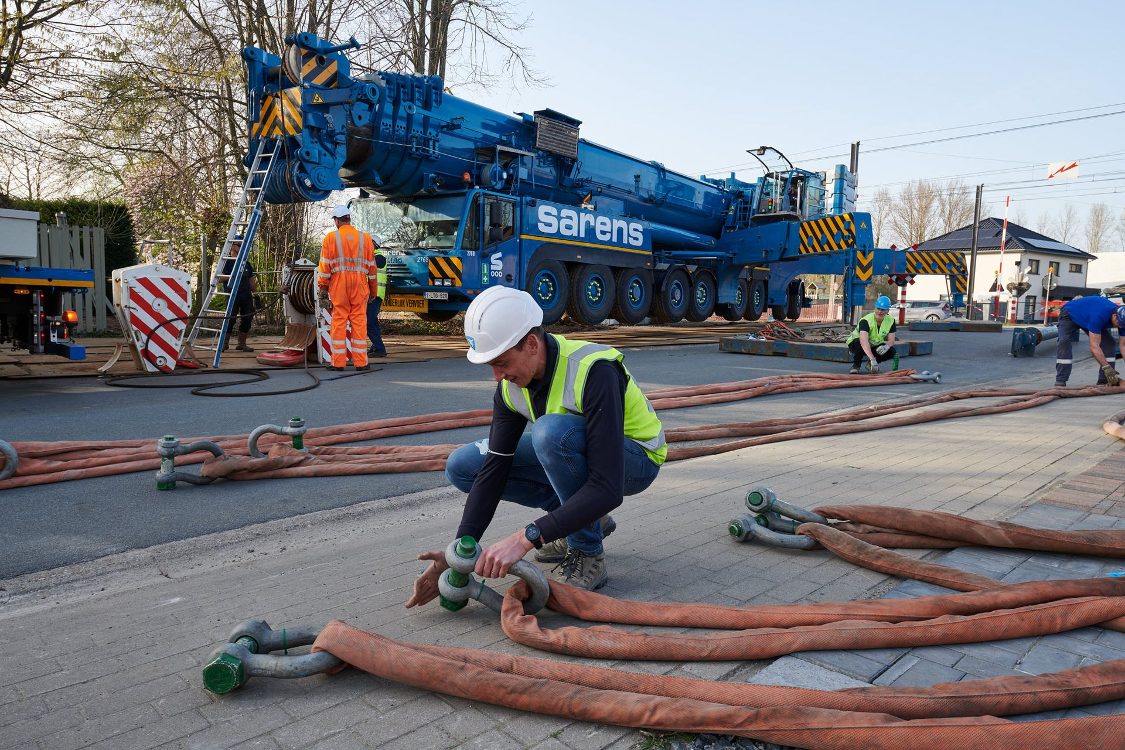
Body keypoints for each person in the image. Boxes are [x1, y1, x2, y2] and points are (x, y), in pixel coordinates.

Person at [405, 286, 666, 604]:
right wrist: (460, 549)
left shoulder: (594, 370)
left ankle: (587, 553)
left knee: (550, 434)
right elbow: (495, 467)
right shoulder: (510, 387)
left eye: (501, 363)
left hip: (636, 458)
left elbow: (607, 487)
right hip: (578, 452)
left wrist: (528, 537)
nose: (497, 376)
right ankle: (580, 521)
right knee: (463, 466)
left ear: (531, 344)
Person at [318, 204, 379, 371]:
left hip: (339, 285)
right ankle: (361, 363)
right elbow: (372, 270)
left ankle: (338, 363)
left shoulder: (331, 238)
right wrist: (373, 291)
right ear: (349, 219)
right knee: (359, 322)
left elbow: (324, 267)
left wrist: (323, 287)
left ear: (337, 221)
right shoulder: (366, 238)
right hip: (360, 285)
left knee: (339, 322)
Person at [1054, 296, 1125, 387]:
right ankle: (1061, 380)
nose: (1120, 327)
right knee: (1064, 341)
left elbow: (1123, 346)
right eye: (1119, 324)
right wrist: (1107, 368)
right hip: (1070, 314)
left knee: (1109, 344)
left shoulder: (1122, 322)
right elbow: (1094, 347)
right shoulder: (1099, 316)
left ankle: (1104, 380)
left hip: (1088, 317)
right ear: (1115, 316)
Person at [221, 236, 257, 352]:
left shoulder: (246, 263)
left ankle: (242, 343)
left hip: (246, 295)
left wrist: (255, 294)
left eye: (243, 245)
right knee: (230, 319)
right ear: (232, 246)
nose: (242, 247)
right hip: (232, 294)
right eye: (239, 245)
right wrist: (233, 275)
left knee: (247, 318)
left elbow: (251, 279)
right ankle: (224, 343)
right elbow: (220, 278)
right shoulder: (226, 262)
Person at [846, 295, 897, 374]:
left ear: (888, 310)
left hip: (872, 345)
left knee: (891, 351)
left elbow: (891, 340)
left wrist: (886, 346)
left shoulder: (891, 321)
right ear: (875, 308)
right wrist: (872, 359)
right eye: (878, 308)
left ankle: (870, 365)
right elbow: (863, 341)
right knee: (859, 342)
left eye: (883, 310)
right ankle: (856, 366)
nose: (880, 311)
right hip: (856, 344)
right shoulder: (866, 320)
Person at [366, 238, 388, 358]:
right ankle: (376, 346)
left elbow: (368, 266)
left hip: (375, 295)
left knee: (370, 321)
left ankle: (379, 348)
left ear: (374, 245)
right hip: (372, 295)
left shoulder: (379, 258)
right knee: (371, 321)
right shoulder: (374, 257)